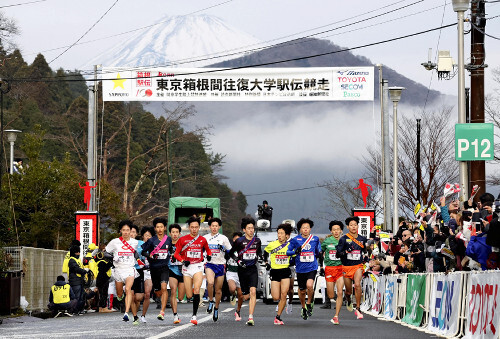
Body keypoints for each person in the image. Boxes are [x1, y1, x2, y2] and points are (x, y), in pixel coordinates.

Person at [173, 216, 212, 325]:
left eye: (196, 227)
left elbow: (208, 250)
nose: (194, 229)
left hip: (198, 266)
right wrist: (182, 260)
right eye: (192, 227)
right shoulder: (182, 239)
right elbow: (176, 254)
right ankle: (192, 303)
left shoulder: (202, 240)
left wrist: (208, 256)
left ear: (199, 227)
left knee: (197, 290)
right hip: (187, 268)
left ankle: (194, 316)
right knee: (189, 295)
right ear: (189, 228)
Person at [228, 217, 262, 326]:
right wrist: (238, 261)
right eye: (249, 228)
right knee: (245, 296)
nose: (251, 230)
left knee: (253, 292)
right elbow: (231, 253)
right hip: (242, 271)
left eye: (252, 228)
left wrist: (264, 260)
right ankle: (237, 310)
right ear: (244, 230)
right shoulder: (239, 241)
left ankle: (250, 317)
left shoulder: (257, 241)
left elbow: (259, 253)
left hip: (252, 269)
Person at [105, 220, 140, 324]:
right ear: (120, 231)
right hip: (118, 270)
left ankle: (126, 313)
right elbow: (105, 253)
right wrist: (113, 257)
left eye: (128, 230)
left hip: (129, 269)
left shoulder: (135, 242)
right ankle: (121, 299)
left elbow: (135, 253)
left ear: (131, 231)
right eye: (123, 230)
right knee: (120, 293)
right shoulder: (114, 242)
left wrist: (139, 261)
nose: (126, 232)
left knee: (128, 289)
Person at [286, 218, 321, 320]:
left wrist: (319, 252)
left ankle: (309, 302)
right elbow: (288, 252)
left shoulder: (315, 239)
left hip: (312, 267)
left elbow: (318, 250)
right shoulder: (295, 240)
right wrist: (295, 252)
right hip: (301, 269)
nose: (305, 229)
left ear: (310, 229)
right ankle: (303, 307)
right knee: (302, 291)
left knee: (309, 285)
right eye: (303, 228)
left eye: (307, 227)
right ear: (300, 229)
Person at [141, 217, 172, 322]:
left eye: (161, 227)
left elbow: (171, 250)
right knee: (158, 292)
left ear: (164, 228)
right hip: (154, 269)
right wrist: (150, 255)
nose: (159, 229)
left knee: (164, 288)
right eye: (157, 227)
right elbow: (143, 252)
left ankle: (162, 312)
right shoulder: (151, 240)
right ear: (155, 228)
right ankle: (158, 296)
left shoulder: (168, 239)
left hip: (164, 267)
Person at [337, 216, 367, 320]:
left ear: (358, 226)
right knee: (349, 290)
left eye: (355, 225)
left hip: (358, 266)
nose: (353, 227)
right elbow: (338, 254)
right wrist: (346, 251)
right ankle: (348, 299)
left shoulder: (362, 239)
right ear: (347, 227)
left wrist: (367, 257)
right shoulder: (343, 239)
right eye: (351, 225)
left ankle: (358, 308)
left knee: (358, 284)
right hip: (346, 267)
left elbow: (366, 251)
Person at [264, 223, 293, 325]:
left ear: (286, 235)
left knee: (284, 294)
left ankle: (278, 317)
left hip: (285, 271)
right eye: (278, 233)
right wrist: (266, 262)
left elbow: (294, 255)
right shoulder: (272, 244)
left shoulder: (290, 245)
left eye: (282, 233)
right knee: (276, 297)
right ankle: (282, 302)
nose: (279, 235)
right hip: (275, 271)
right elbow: (265, 252)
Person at [204, 218, 232, 322]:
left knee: (218, 289)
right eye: (213, 226)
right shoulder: (205, 238)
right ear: (210, 227)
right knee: (210, 283)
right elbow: (201, 250)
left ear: (219, 227)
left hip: (220, 264)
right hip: (210, 264)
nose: (214, 228)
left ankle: (216, 308)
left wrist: (224, 249)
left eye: (216, 226)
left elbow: (230, 250)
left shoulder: (223, 238)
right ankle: (211, 301)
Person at [320, 220, 345, 325]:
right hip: (330, 269)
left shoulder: (344, 240)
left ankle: (336, 316)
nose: (336, 232)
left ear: (341, 231)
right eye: (334, 230)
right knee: (331, 295)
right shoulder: (327, 241)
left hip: (340, 269)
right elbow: (321, 251)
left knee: (340, 292)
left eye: (338, 230)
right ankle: (332, 298)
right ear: (331, 231)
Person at [168, 223, 184, 324]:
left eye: (176, 232)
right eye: (173, 232)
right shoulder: (167, 244)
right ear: (170, 233)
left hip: (183, 270)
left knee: (181, 297)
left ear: (179, 233)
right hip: (171, 269)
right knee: (173, 290)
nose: (175, 234)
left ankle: (176, 311)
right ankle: (175, 315)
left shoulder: (183, 243)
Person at [226, 231, 244, 321]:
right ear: (233, 240)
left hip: (240, 273)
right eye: (235, 239)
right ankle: (233, 294)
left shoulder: (243, 249)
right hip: (231, 272)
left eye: (239, 239)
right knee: (232, 289)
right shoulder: (230, 249)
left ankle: (238, 310)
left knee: (241, 296)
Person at [67, 245, 88, 313]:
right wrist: (84, 271)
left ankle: (79, 309)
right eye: (77, 252)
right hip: (75, 281)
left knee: (81, 296)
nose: (79, 254)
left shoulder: (77, 260)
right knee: (77, 296)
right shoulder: (72, 260)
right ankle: (74, 310)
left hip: (79, 280)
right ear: (75, 253)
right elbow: (76, 269)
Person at [94, 243, 114, 313]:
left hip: (100, 279)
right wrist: (111, 262)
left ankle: (101, 307)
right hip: (103, 279)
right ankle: (103, 307)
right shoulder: (102, 262)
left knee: (101, 293)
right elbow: (105, 268)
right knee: (103, 293)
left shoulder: (98, 261)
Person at [140, 227, 154, 322]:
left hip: (149, 272)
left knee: (147, 294)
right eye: (146, 235)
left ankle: (143, 315)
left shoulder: (154, 246)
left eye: (149, 235)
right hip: (138, 271)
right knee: (138, 296)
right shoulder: (138, 245)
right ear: (143, 237)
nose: (148, 237)